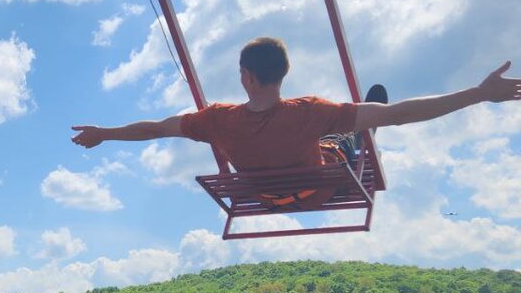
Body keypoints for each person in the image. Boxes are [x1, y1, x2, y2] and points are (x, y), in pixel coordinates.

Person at [72, 36, 521, 191]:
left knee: (350, 126)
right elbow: (401, 114)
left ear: (246, 77)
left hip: (266, 192)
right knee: (369, 119)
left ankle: (354, 132)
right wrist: (478, 94)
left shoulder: (217, 119)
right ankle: (356, 136)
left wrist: (104, 134)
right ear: (282, 75)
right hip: (317, 187)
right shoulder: (311, 112)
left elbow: (155, 128)